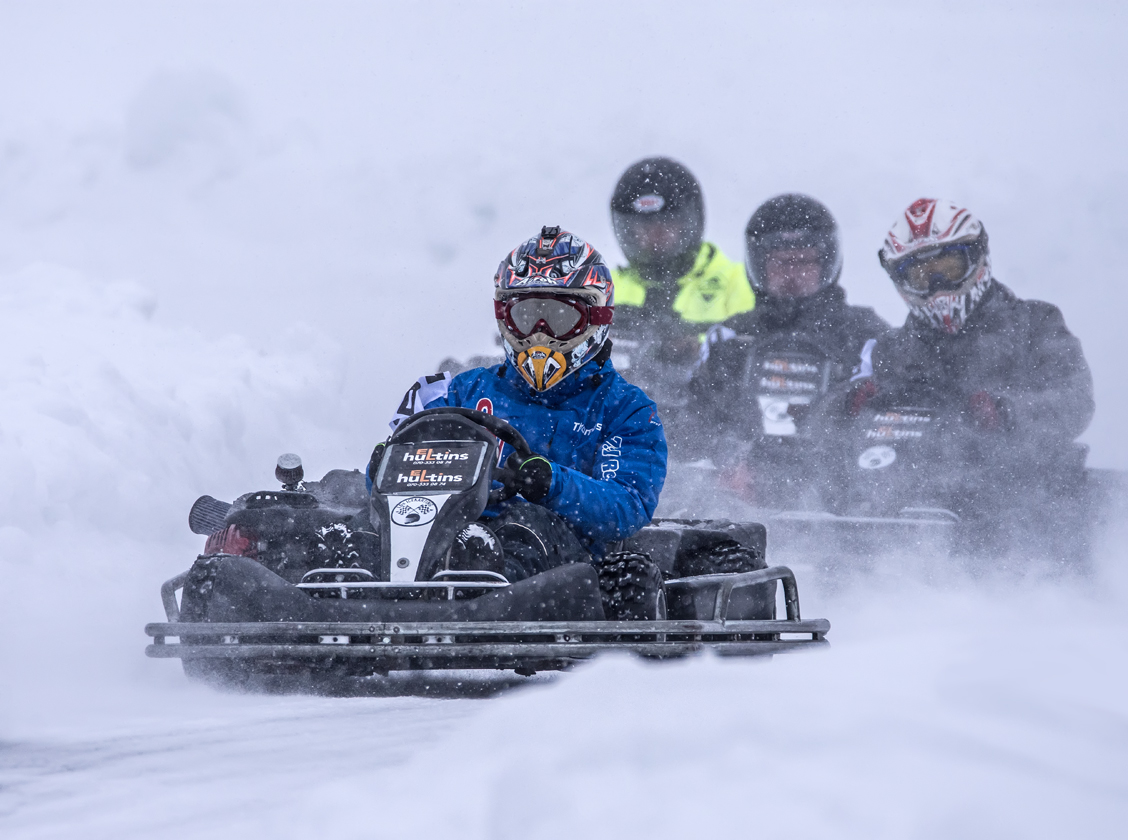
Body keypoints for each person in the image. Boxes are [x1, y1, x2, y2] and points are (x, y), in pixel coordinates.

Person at [382, 226, 668, 582]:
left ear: (596, 319)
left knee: (524, 523)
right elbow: (391, 476)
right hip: (445, 535)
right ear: (506, 319)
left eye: (559, 319)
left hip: (565, 565)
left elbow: (626, 505)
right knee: (362, 522)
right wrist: (387, 467)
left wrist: (551, 483)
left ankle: (483, 600)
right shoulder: (462, 392)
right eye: (526, 317)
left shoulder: (627, 409)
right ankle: (341, 591)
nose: (539, 335)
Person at [820, 198, 1094, 542]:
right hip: (899, 506)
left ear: (977, 259)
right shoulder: (892, 349)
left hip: (1016, 512)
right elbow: (822, 419)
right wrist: (848, 406)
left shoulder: (1034, 325)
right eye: (921, 276)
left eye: (948, 268)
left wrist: (1005, 413)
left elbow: (1075, 401)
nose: (937, 287)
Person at [686, 194, 887, 505]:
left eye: (804, 262)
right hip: (741, 503)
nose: (792, 274)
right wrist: (729, 457)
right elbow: (697, 420)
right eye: (780, 263)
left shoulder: (866, 335)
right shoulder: (729, 337)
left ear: (827, 263)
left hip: (844, 499)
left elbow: (886, 424)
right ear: (759, 265)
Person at [607, 157, 754, 416]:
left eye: (667, 223)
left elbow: (753, 358)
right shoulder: (604, 288)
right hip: (619, 429)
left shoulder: (738, 282)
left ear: (691, 222)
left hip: (710, 426)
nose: (655, 236)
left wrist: (694, 356)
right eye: (643, 227)